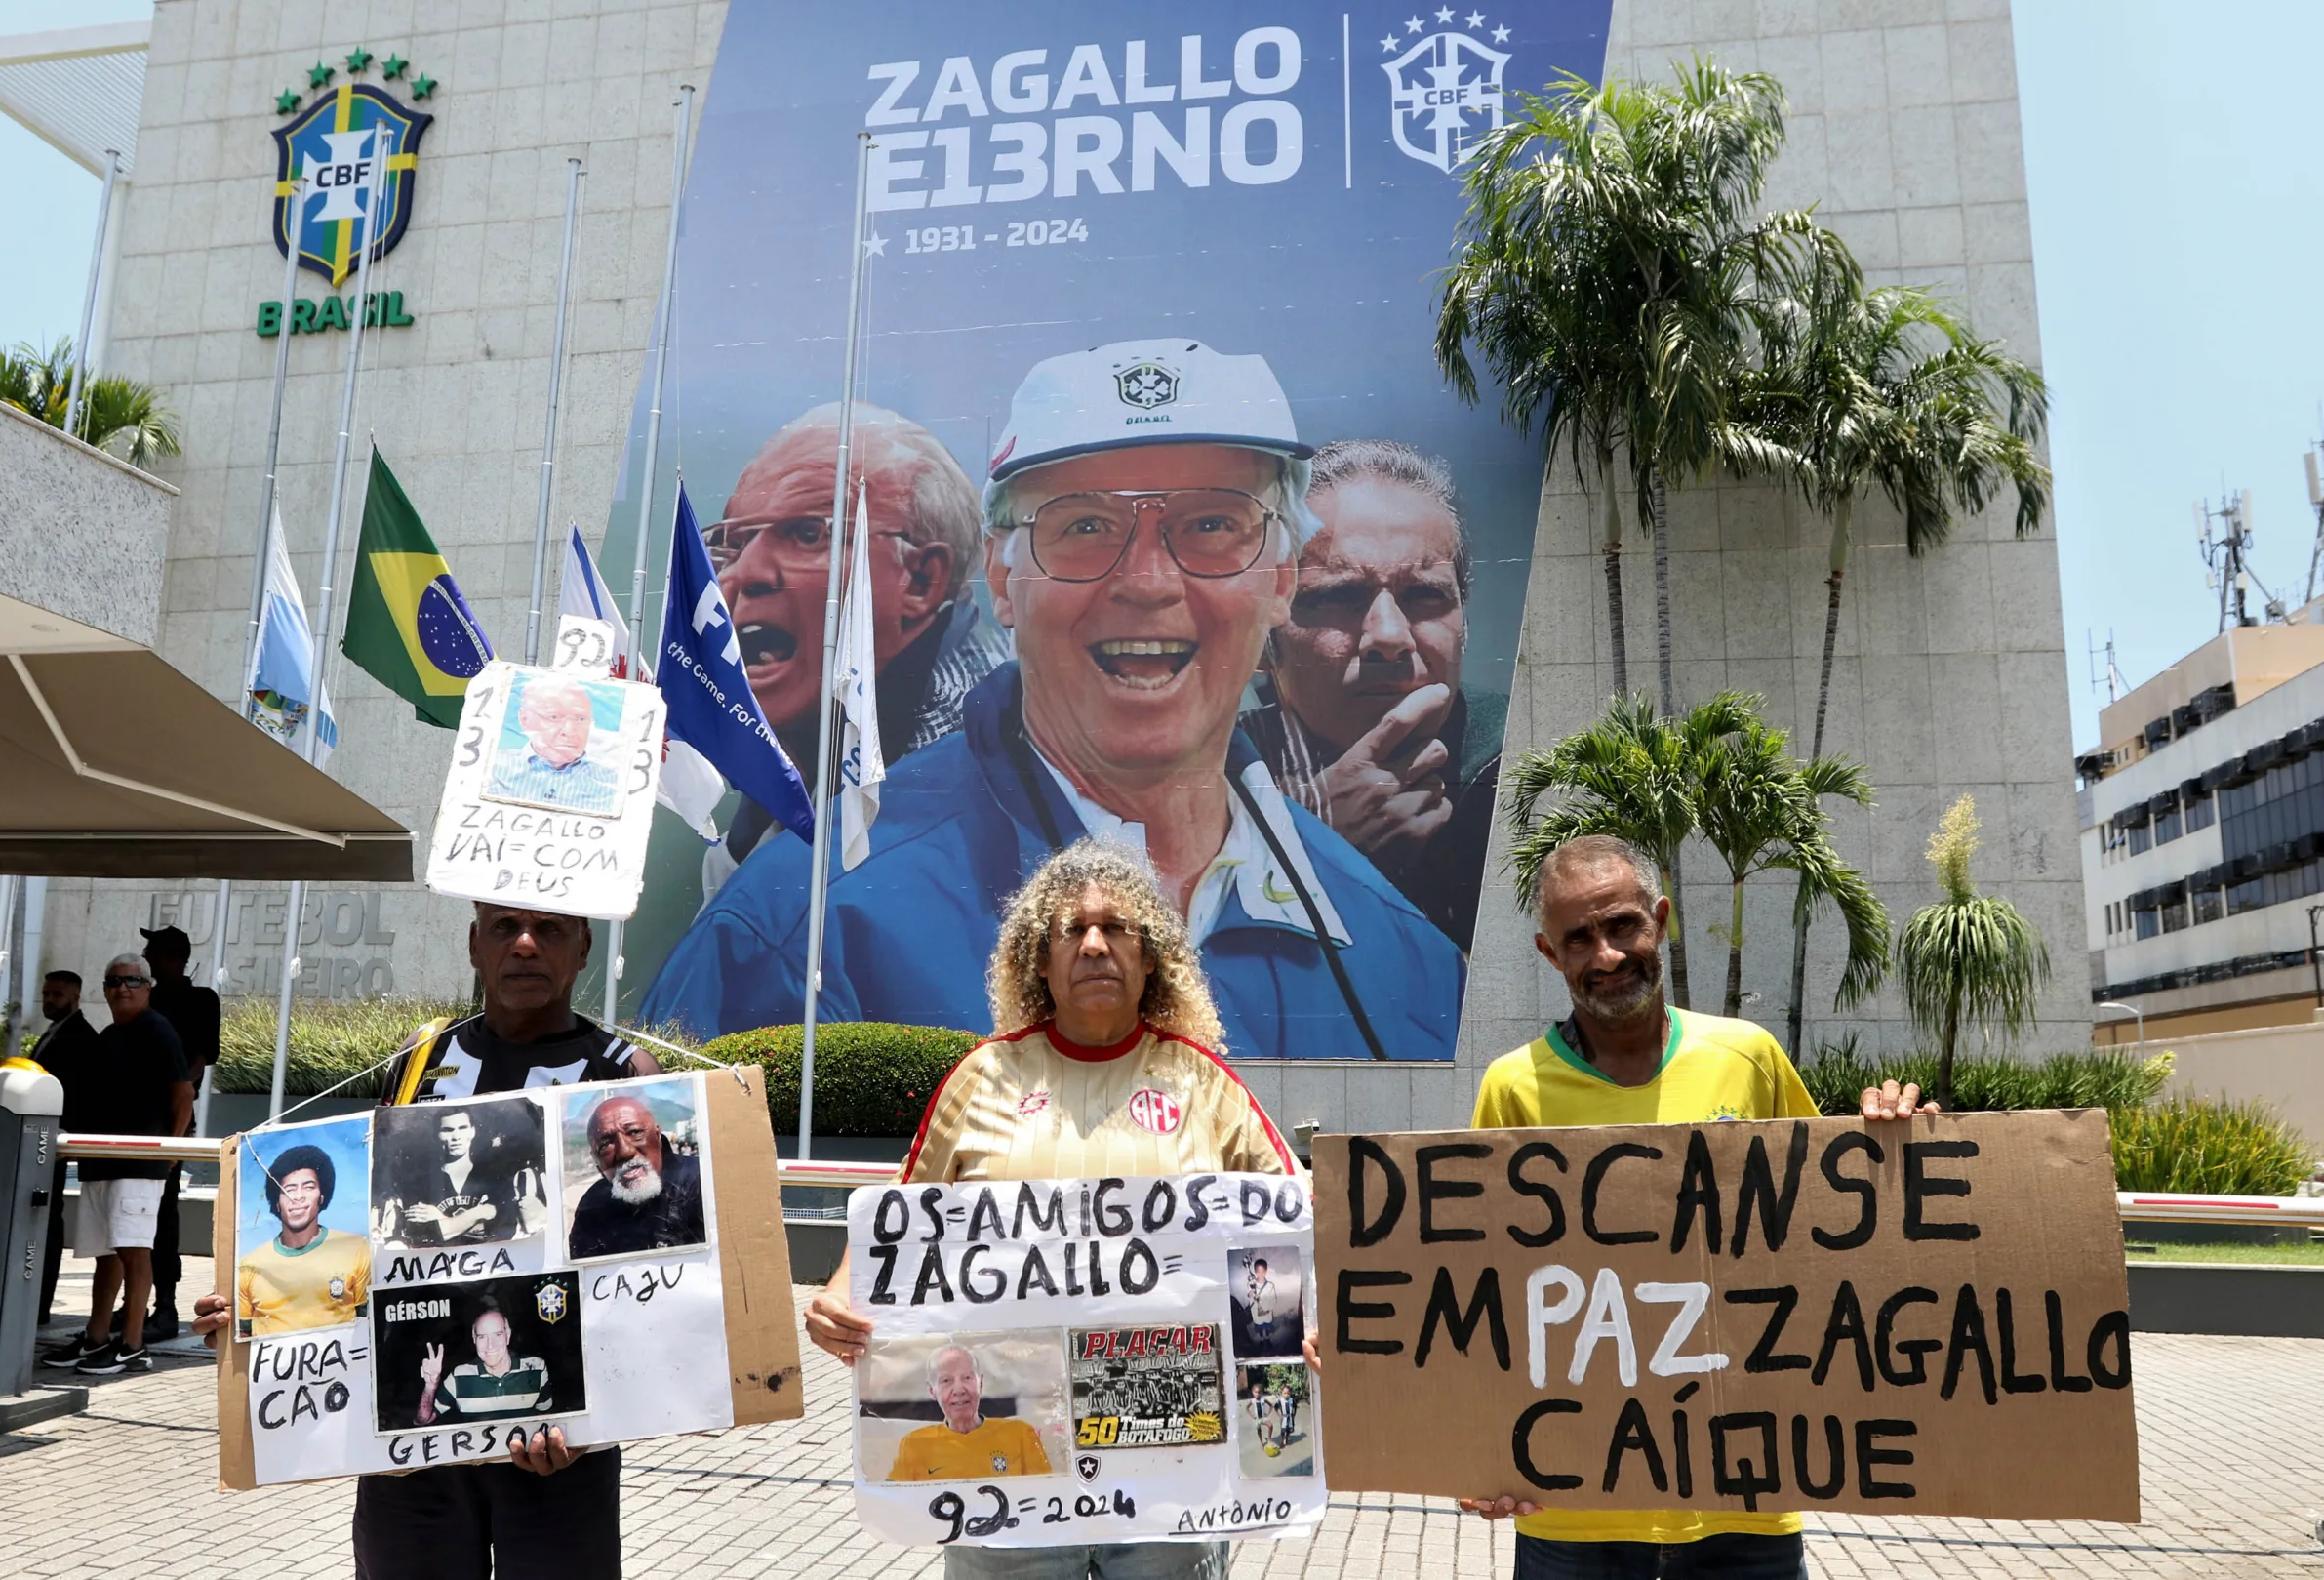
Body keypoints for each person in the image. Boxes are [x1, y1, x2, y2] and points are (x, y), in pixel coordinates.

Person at [651, 340, 1465, 1059]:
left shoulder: (1407, 966)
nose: (1148, 581)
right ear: (1003, 581)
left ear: (1281, 580)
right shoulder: (802, 924)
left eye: (1214, 524)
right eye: (1082, 526)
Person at [1428, 836, 1939, 1577]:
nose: (1606, 955)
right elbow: (1476, 1285)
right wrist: (1469, 1444)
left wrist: (1892, 1143)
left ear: (1660, 920)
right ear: (1549, 952)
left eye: (1623, 925)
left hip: (1746, 1503)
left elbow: (1828, 1232)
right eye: (1579, 937)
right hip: (1575, 1517)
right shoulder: (1513, 1089)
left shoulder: (1749, 1056)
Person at [807, 838, 1294, 1580]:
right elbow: (899, 1223)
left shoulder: (1206, 1086)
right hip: (1010, 1456)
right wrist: (840, 1294)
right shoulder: (981, 1079)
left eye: (1117, 928)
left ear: (1152, 955)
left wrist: (1311, 1320)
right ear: (1038, 959)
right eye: (1072, 929)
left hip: (1169, 1446)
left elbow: (1293, 1223)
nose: (1095, 945)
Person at [197, 901, 662, 1580]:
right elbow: (370, 1233)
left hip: (558, 1440)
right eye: (505, 928)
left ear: (584, 947)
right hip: (413, 1440)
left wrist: (595, 1416)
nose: (526, 945)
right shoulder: (424, 1056)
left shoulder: (623, 1071)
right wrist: (257, 1316)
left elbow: (649, 1273)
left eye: (550, 930)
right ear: (475, 943)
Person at [700, 402, 1011, 889]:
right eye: (731, 544)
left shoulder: (984, 784)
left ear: (922, 580)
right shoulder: (768, 797)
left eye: (806, 533)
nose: (745, 574)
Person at [1242, 439, 1505, 950]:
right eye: (1338, 596)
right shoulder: (1194, 786)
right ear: (1259, 640)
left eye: (1426, 595)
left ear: (1464, 626)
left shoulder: (1527, 769)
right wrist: (1306, 846)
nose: (1389, 634)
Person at [41, 954, 190, 1376]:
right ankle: (95, 1337)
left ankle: (133, 1344)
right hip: (99, 1161)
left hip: (140, 1162)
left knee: (133, 1250)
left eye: (133, 980)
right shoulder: (107, 1034)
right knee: (105, 1253)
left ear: (148, 987)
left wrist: (171, 1150)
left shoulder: (158, 1029)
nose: (122, 988)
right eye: (114, 981)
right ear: (104, 989)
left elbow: (183, 1094)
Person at [140, 924, 220, 1341]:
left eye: (152, 951)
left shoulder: (199, 1001)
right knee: (130, 1212)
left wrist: (175, 1100)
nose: (146, 956)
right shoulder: (146, 999)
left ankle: (165, 1304)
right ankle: (131, 1304)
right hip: (134, 1119)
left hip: (170, 1119)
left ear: (171, 957)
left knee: (161, 1211)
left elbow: (198, 1061)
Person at [236, 1141, 373, 1336]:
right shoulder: (249, 1265)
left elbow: (369, 1324)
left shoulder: (356, 1248)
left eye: (308, 1187)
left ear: (322, 1197)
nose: (297, 1197)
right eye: (288, 1189)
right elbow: (241, 1336)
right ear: (276, 1203)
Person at [28, 970, 101, 1325]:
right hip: (40, 1138)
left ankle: (38, 1302)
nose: (49, 1000)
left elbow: (74, 1093)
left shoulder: (80, 1036)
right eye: (46, 993)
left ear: (75, 997)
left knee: (46, 1218)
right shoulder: (56, 1031)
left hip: (53, 1138)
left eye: (57, 994)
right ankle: (34, 1300)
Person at [887, 1342, 1052, 1480]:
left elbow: (1047, 1495)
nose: (959, 1389)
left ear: (980, 1383)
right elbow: (892, 1505)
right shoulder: (915, 1444)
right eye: (946, 1381)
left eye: (967, 1378)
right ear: (932, 1391)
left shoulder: (1020, 1434)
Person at [567, 1094, 703, 1258]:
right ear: (596, 1161)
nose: (625, 1151)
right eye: (605, 1144)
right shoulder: (590, 1208)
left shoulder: (701, 1180)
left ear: (658, 1136)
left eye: (634, 1132)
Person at [381, 1107, 533, 1246]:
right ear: (436, 1135)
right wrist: (480, 1212)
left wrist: (441, 1219)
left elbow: (501, 1231)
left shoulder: (494, 1178)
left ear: (472, 1131)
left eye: (462, 1128)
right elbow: (420, 1234)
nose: (455, 1137)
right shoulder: (422, 1183)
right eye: (447, 1130)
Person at [489, 676, 619, 814]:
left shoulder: (614, 783)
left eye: (580, 719)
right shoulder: (490, 768)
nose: (569, 731)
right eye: (554, 717)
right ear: (524, 719)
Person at [418, 1302, 555, 1425]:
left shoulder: (535, 1369)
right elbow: (423, 1420)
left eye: (497, 1335)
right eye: (482, 1337)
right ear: (474, 1339)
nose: (490, 1345)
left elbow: (545, 1417)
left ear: (508, 1335)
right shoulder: (459, 1376)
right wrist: (430, 1385)